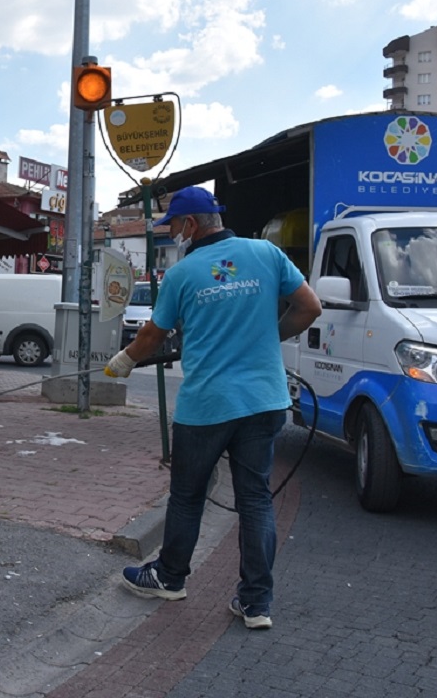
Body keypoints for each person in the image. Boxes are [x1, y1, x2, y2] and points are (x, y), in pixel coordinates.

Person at [104, 185, 322, 631]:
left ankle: (169, 577)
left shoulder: (183, 274)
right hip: (264, 401)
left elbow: (153, 335)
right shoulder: (266, 253)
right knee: (257, 501)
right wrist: (269, 337)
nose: (174, 235)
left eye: (175, 227)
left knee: (187, 497)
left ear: (190, 225)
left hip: (208, 406)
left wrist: (124, 361)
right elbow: (309, 307)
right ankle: (257, 603)